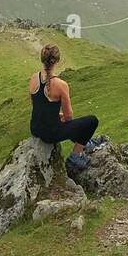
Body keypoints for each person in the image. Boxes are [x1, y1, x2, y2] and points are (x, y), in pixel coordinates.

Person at [29, 43, 104, 171]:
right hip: (50, 134)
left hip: (35, 128)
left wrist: (56, 116)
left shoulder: (34, 78)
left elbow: (37, 105)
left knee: (67, 124)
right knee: (92, 121)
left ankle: (85, 143)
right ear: (57, 60)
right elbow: (69, 117)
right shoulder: (60, 84)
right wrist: (62, 117)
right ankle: (75, 156)